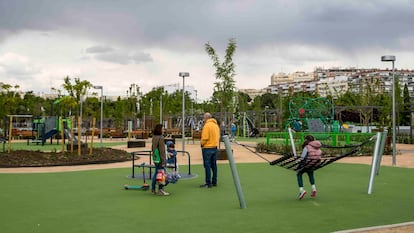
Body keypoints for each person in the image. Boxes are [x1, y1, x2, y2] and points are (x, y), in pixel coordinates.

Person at [297, 135, 322, 200]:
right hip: (315, 164)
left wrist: (298, 163)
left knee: (299, 173)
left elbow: (302, 157)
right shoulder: (317, 146)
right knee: (310, 173)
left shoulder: (307, 147)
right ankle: (314, 188)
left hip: (307, 164)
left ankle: (301, 190)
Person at [200, 112, 220, 188]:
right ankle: (214, 181)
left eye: (204, 118)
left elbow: (205, 137)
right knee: (214, 165)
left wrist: (202, 143)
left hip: (207, 147)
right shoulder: (216, 125)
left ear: (206, 118)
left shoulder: (207, 126)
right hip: (214, 147)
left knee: (207, 165)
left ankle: (208, 182)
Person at [151, 124, 170, 196]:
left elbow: (153, 148)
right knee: (161, 174)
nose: (163, 130)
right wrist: (163, 161)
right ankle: (160, 189)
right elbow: (162, 151)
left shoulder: (154, 137)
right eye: (162, 129)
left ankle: (153, 188)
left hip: (156, 158)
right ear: (160, 130)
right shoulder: (161, 138)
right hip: (160, 159)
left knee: (156, 173)